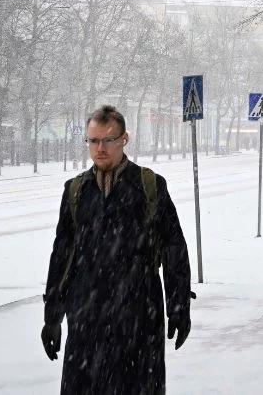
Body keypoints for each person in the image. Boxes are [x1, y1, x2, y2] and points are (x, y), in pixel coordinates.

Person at [42, 105, 193, 394]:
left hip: (138, 316)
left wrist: (179, 305)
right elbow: (61, 255)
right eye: (93, 141)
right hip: (87, 318)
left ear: (124, 139)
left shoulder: (149, 186)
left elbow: (175, 248)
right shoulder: (76, 191)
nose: (99, 148)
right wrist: (52, 315)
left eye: (107, 140)